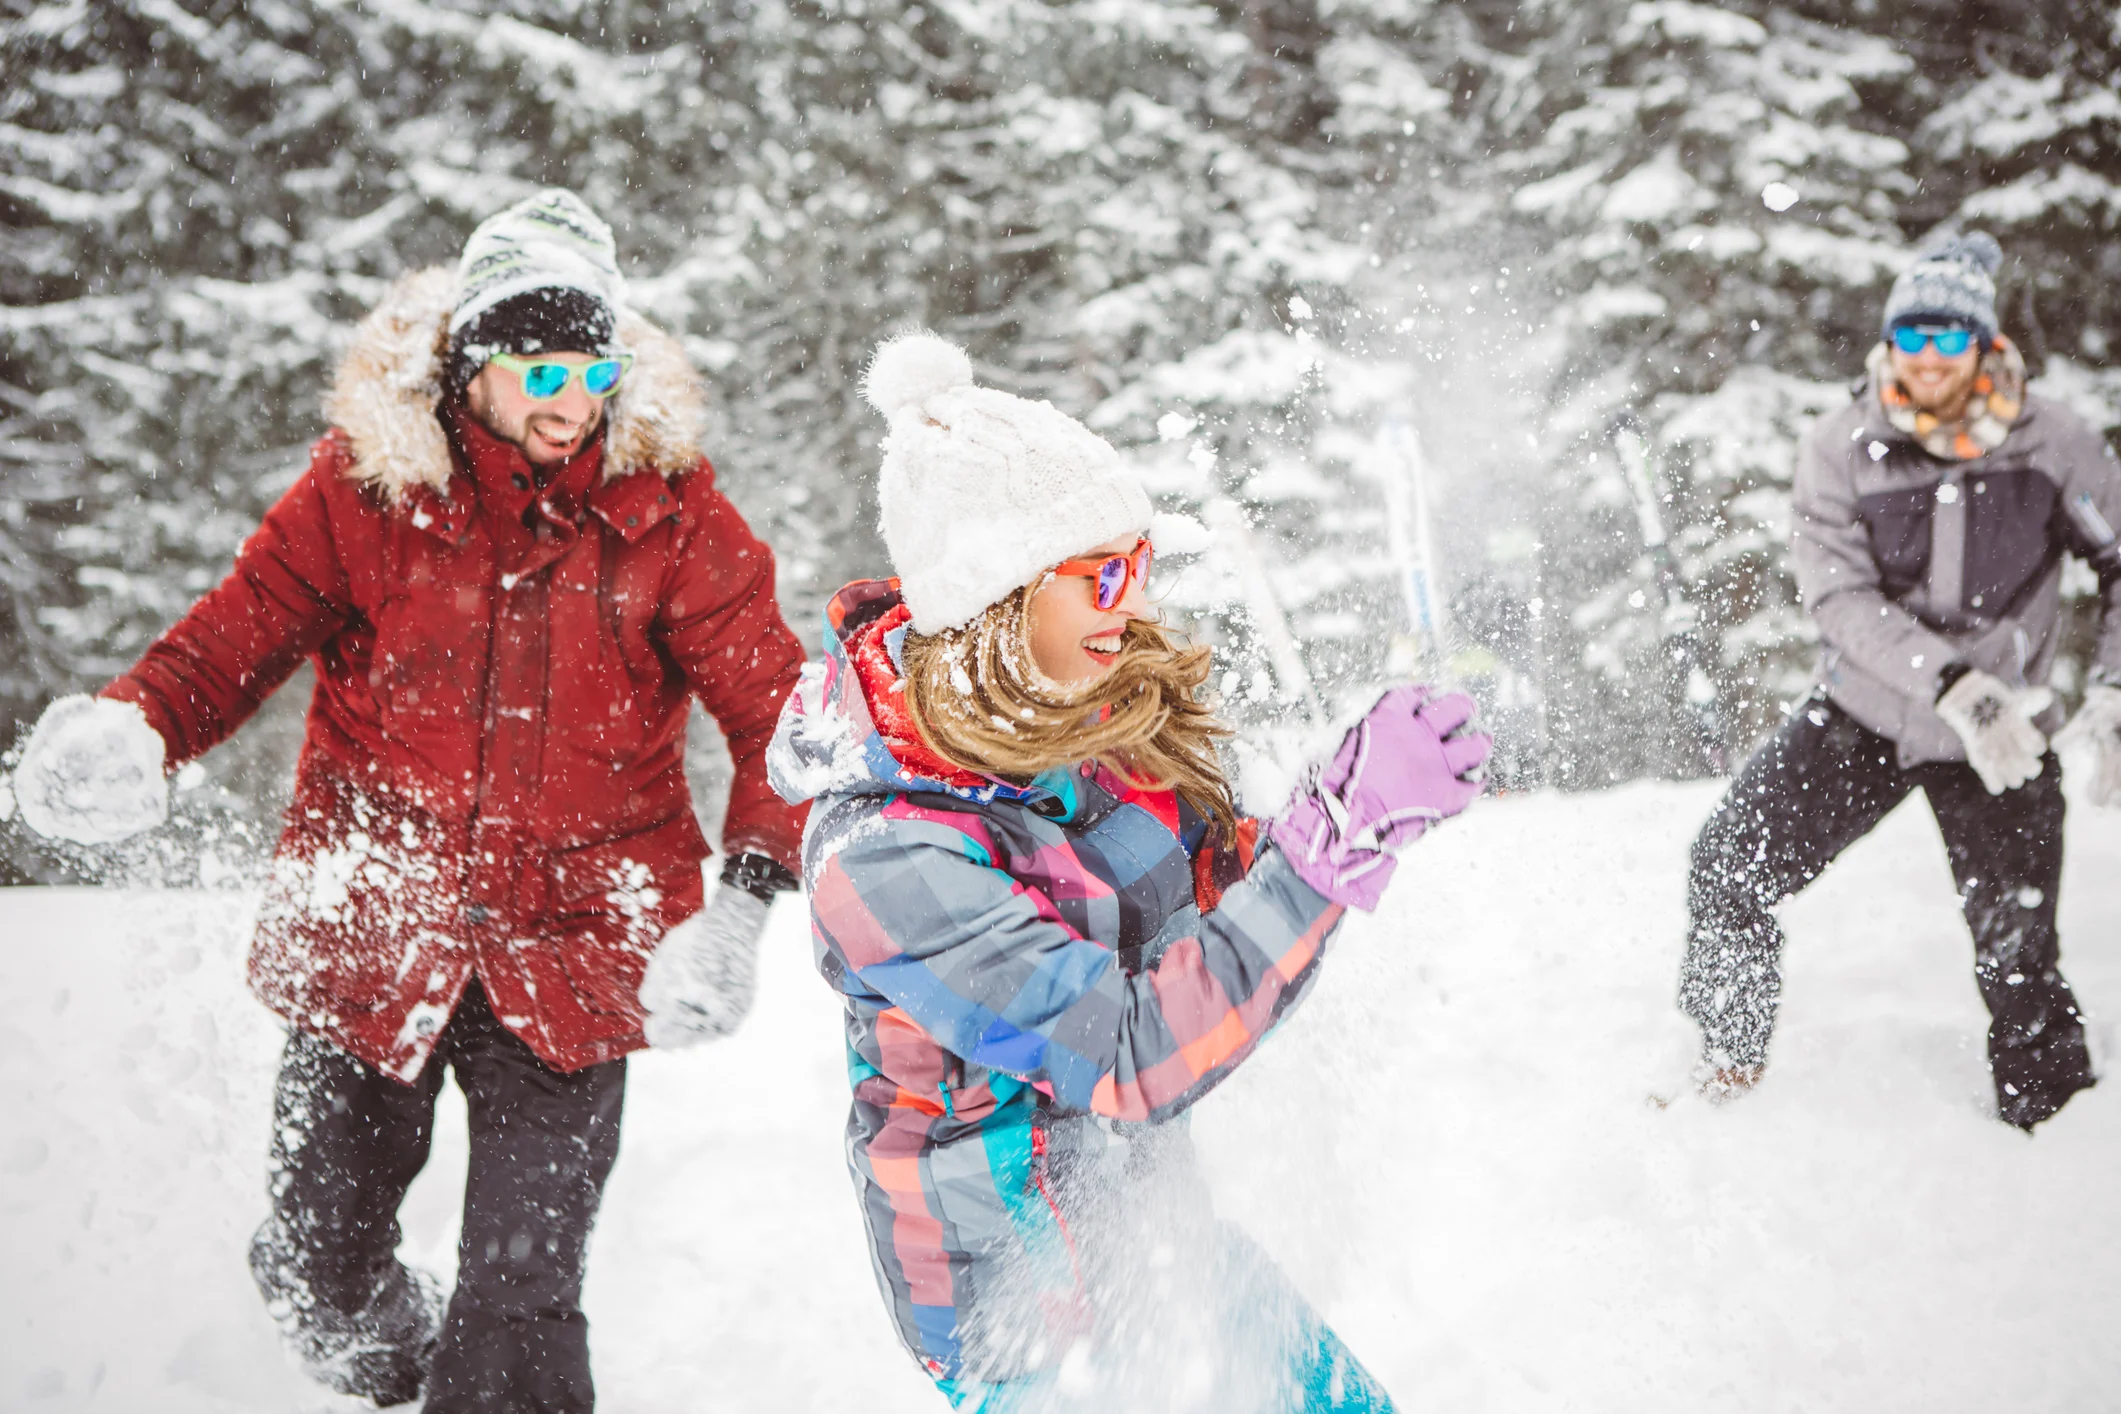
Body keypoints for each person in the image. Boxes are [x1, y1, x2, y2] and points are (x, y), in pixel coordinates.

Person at [7, 190, 809, 1408]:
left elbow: (783, 722)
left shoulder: (671, 517)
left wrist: (746, 901)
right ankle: (399, 1356)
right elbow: (230, 643)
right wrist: (138, 725)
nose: (567, 398)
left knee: (522, 1305)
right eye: (537, 364)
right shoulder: (365, 494)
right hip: (374, 926)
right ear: (471, 362)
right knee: (315, 1272)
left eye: (592, 364)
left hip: (578, 946)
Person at [765, 333, 1491, 1412]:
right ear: (999, 598)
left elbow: (1205, 906)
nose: (1136, 603)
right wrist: (1326, 852)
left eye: (1141, 564)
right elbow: (1135, 1053)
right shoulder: (888, 858)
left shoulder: (1076, 720)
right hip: (1035, 1331)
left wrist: (1336, 811)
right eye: (1104, 573)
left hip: (1161, 1250)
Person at [1678, 230, 2121, 1129]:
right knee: (1727, 866)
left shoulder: (2055, 442)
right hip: (1867, 715)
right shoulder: (1841, 447)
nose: (1926, 360)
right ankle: (1721, 1078)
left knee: (2017, 956)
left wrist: (2112, 689)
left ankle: (2053, 1131)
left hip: (2003, 737)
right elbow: (1837, 596)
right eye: (1909, 339)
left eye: (1947, 340)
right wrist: (1951, 681)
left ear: (1985, 345)